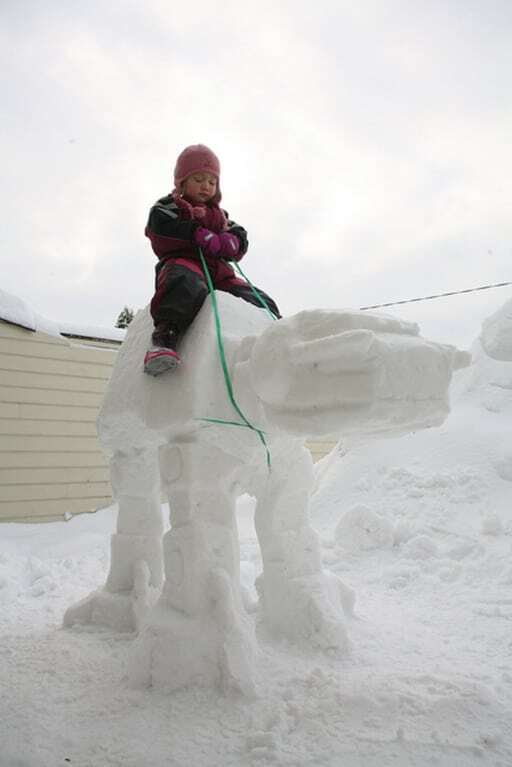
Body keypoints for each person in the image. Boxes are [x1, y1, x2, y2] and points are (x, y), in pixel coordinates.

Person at [143, 144, 281, 376]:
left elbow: (240, 233)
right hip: (184, 261)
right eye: (198, 179)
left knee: (254, 296)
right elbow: (160, 226)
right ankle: (165, 339)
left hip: (219, 272)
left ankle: (277, 335)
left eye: (211, 181)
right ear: (181, 181)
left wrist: (233, 241)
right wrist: (194, 233)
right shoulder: (169, 206)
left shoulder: (221, 216)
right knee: (183, 283)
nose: (205, 186)